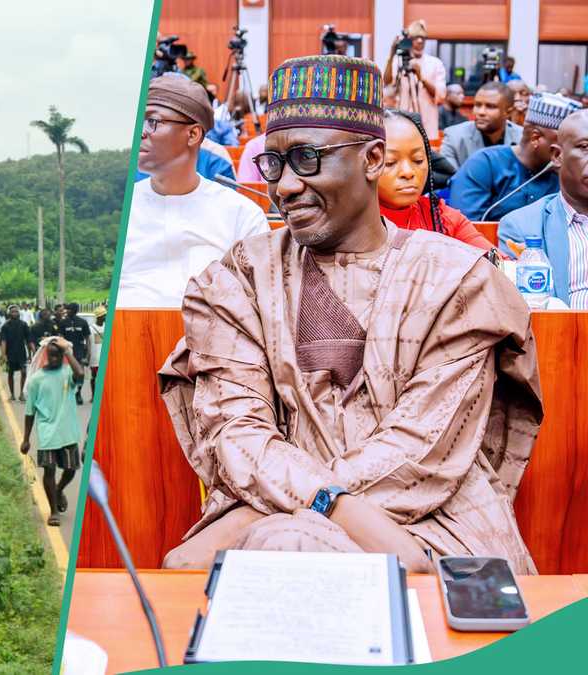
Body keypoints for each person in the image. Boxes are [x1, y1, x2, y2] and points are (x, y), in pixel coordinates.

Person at [157, 55, 541, 576]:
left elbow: (422, 449)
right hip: (270, 514)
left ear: (373, 157)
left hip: (434, 518)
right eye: (274, 164)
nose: (286, 186)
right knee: (289, 544)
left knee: (284, 547)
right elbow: (235, 433)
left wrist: (278, 511)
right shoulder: (238, 278)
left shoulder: (456, 279)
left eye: (308, 158)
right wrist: (331, 506)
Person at [118, 75, 268, 309]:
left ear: (193, 134)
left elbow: (262, 306)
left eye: (152, 122)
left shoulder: (243, 216)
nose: (141, 132)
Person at [499, 109, 588, 308]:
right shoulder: (522, 227)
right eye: (585, 147)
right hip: (559, 335)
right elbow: (524, 312)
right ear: (557, 156)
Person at [450, 92, 581, 220]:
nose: (573, 153)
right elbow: (467, 227)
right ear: (535, 138)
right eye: (564, 144)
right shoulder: (485, 164)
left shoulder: (568, 176)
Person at [379, 109, 494, 249]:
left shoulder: (442, 218)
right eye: (390, 162)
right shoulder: (350, 225)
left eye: (418, 160)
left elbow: (498, 263)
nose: (408, 172)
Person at [20, 336, 84, 527]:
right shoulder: (36, 380)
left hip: (68, 432)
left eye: (59, 355)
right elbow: (30, 412)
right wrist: (26, 439)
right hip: (47, 432)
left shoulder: (67, 373)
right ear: (46, 356)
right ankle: (53, 511)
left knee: (71, 469)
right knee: (49, 470)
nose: (55, 359)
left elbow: (80, 374)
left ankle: (58, 489)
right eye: (52, 355)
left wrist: (67, 351)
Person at [436, 82, 521, 185]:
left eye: (490, 106)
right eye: (477, 105)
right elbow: (451, 182)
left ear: (508, 112)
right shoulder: (454, 136)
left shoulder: (522, 138)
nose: (481, 112)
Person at [383, 20, 447, 137]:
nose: (420, 41)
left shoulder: (435, 63)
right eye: (416, 37)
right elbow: (386, 82)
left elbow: (441, 96)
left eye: (423, 38)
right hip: (400, 125)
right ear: (408, 40)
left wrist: (421, 77)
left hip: (427, 127)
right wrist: (392, 53)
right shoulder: (398, 61)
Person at [57, 303, 92, 405]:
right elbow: (60, 338)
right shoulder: (63, 322)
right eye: (66, 309)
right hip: (67, 352)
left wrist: (88, 356)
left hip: (80, 352)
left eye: (69, 309)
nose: (66, 311)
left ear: (75, 310)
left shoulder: (83, 322)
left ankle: (78, 394)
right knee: (66, 374)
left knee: (80, 374)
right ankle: (67, 394)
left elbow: (88, 340)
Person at [0, 306, 31, 401]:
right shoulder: (5, 326)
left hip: (21, 353)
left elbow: (28, 340)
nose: (15, 313)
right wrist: (3, 355)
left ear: (19, 313)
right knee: (10, 373)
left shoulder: (24, 325)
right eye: (12, 312)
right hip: (10, 353)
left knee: (24, 372)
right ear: (9, 313)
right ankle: (12, 394)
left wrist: (30, 354)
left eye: (16, 312)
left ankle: (22, 394)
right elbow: (3, 341)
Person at [88, 305, 106, 401]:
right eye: (104, 315)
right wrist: (88, 357)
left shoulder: (107, 326)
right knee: (94, 377)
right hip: (95, 358)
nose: (105, 317)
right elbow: (88, 344)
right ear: (99, 317)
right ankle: (93, 396)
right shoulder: (91, 328)